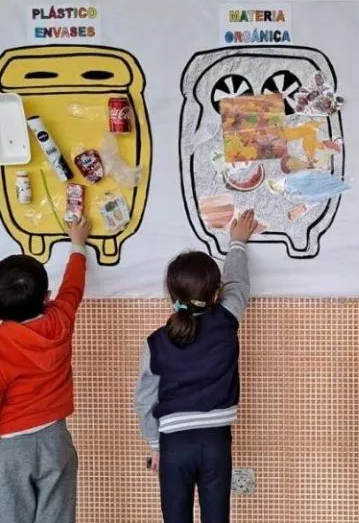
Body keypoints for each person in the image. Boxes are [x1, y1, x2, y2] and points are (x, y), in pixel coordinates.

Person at [0, 216, 91, 523]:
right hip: (56, 442)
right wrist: (78, 244)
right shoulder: (60, 319)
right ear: (46, 298)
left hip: (10, 451)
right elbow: (73, 287)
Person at [134, 210, 258, 523]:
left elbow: (144, 400)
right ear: (217, 292)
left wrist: (154, 444)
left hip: (173, 445)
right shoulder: (226, 320)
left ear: (170, 295)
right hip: (216, 442)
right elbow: (239, 284)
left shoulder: (156, 343)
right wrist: (237, 243)